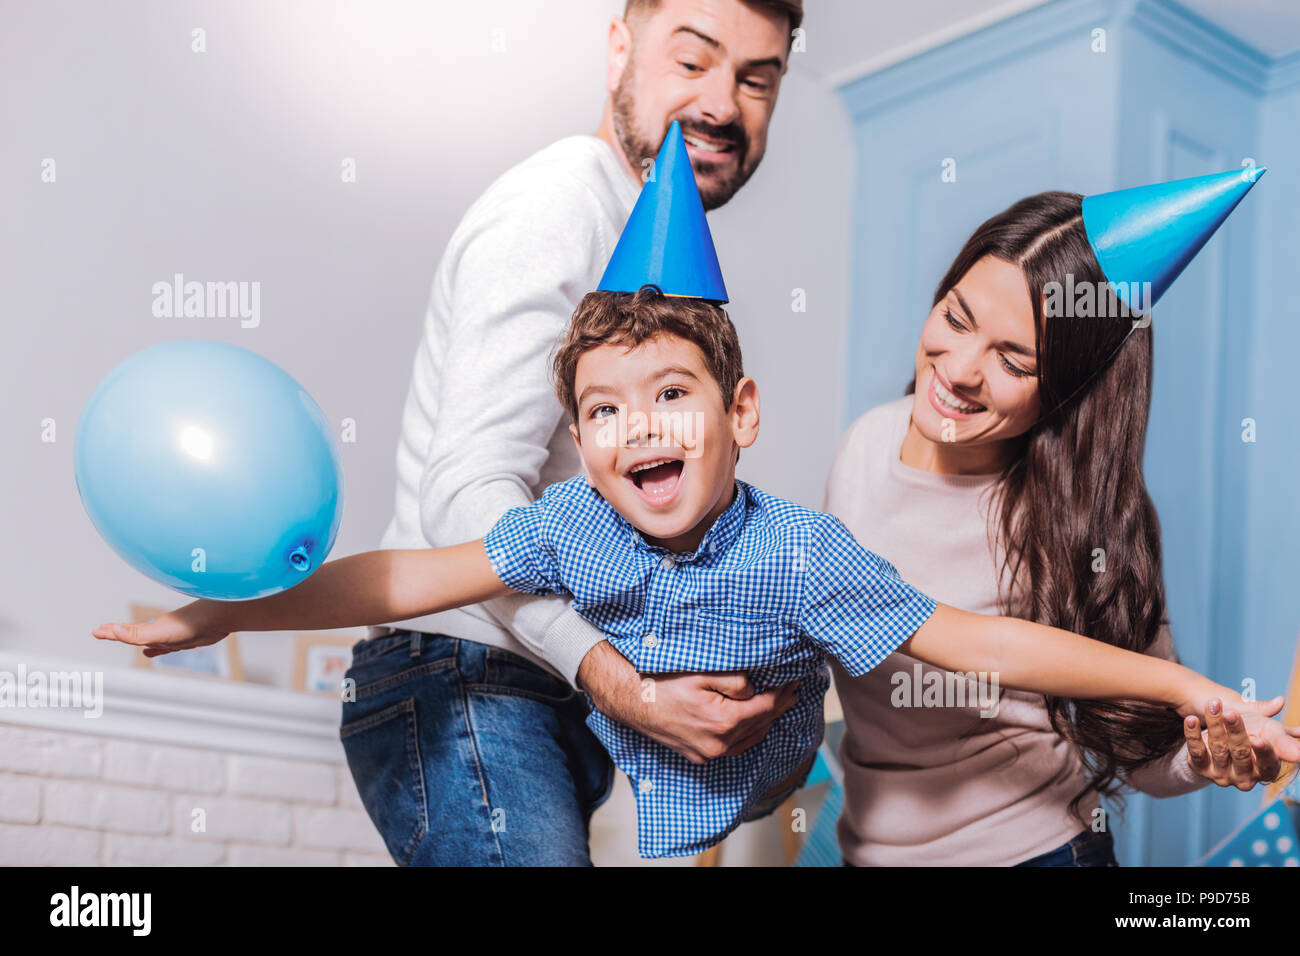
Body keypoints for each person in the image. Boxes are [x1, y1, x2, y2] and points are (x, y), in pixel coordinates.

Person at [90, 280, 1297, 858]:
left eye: (671, 394)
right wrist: (218, 612)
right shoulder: (568, 521)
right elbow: (410, 578)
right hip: (662, 782)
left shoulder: (807, 551)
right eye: (603, 411)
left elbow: (974, 638)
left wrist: (1189, 691)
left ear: (743, 410)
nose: (639, 429)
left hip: (775, 768)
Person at [351, 0, 803, 864]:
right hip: (467, 671)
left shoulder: (649, 242)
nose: (723, 104)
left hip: (529, 683)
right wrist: (617, 681)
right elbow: (465, 494)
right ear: (620, 50)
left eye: (757, 78)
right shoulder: (561, 204)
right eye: (694, 60)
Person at [824, 172, 1291, 866]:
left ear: (1067, 392)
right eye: (956, 317)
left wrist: (1202, 755)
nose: (958, 369)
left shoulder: (1077, 524)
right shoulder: (865, 442)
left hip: (1038, 851)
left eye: (1013, 359)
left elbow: (1143, 753)